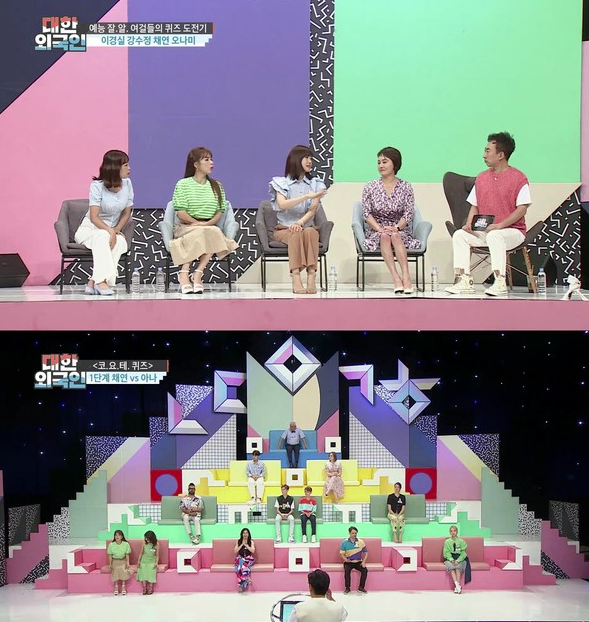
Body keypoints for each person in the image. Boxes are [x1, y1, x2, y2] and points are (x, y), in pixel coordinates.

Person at [445, 132, 531, 297]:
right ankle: (464, 280)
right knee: (460, 235)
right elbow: (474, 205)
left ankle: (500, 281)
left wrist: (500, 225)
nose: (484, 155)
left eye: (488, 151)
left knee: (495, 235)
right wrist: (469, 224)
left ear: (501, 155)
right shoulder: (482, 178)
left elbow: (522, 208)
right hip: (487, 231)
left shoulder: (519, 178)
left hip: (513, 231)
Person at [169, 147, 238, 295]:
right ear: (196, 164)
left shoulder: (217, 186)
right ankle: (185, 273)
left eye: (211, 159)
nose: (211, 163)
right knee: (204, 232)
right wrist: (197, 223)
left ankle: (197, 273)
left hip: (208, 225)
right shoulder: (183, 184)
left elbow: (219, 212)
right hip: (186, 226)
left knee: (211, 232)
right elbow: (181, 213)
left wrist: (205, 224)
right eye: (206, 160)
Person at [269, 145, 328, 294]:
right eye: (306, 158)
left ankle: (311, 276)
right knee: (295, 233)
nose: (310, 161)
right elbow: (282, 205)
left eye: (311, 158)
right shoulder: (281, 183)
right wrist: (306, 196)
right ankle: (296, 277)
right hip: (284, 229)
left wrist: (300, 222)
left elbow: (312, 210)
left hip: (305, 227)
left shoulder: (316, 184)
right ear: (296, 160)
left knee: (311, 232)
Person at [361, 147, 421, 294]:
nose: (381, 165)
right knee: (384, 236)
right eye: (379, 162)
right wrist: (379, 228)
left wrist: (397, 227)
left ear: (395, 163)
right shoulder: (370, 187)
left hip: (400, 229)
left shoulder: (406, 187)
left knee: (394, 235)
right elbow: (366, 213)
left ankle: (406, 276)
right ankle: (396, 278)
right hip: (377, 230)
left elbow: (408, 213)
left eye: (385, 162)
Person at [74, 149, 133, 296]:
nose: (129, 168)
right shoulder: (97, 186)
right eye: (125, 165)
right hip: (91, 229)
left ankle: (94, 281)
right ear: (115, 167)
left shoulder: (127, 184)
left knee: (121, 242)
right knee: (102, 236)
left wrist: (116, 229)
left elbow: (127, 212)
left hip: (112, 230)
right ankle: (101, 282)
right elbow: (94, 217)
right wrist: (110, 231)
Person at [339, 526, 368, 594]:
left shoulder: (361, 542)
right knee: (347, 571)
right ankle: (347, 588)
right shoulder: (344, 542)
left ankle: (361, 587)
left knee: (365, 570)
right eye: (353, 533)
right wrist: (345, 560)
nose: (354, 535)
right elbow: (341, 553)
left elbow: (366, 553)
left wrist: (364, 562)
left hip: (358, 562)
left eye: (355, 533)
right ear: (349, 533)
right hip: (349, 562)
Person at [443, 525, 471, 593]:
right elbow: (446, 552)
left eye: (454, 531)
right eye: (451, 531)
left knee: (458, 567)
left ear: (457, 532)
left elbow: (463, 553)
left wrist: (458, 560)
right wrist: (451, 559)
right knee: (451, 567)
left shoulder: (461, 541)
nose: (453, 532)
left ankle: (457, 587)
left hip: (460, 558)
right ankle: (457, 586)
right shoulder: (447, 542)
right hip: (450, 558)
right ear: (450, 532)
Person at [107, 529, 131, 596]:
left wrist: (128, 563)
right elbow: (110, 555)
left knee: (123, 569)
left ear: (122, 536)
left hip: (123, 561)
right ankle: (116, 587)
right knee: (115, 569)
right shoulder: (111, 545)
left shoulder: (126, 544)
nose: (117, 537)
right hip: (115, 561)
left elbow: (127, 555)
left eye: (119, 535)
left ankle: (123, 586)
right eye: (116, 535)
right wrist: (110, 564)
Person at [136, 530, 159, 595]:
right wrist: (138, 561)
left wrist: (156, 563)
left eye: (148, 538)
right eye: (145, 538)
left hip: (152, 560)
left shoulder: (156, 544)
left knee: (151, 571)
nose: (146, 539)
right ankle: (144, 588)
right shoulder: (144, 543)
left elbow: (157, 555)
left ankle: (151, 588)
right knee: (143, 570)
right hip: (144, 560)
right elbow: (141, 553)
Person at [234, 527, 255, 593]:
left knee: (239, 568)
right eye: (244, 533)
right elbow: (235, 551)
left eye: (246, 533)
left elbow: (253, 551)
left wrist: (246, 545)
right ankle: (247, 578)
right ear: (242, 534)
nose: (245, 534)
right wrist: (242, 544)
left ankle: (240, 586)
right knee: (239, 566)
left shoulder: (251, 542)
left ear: (248, 534)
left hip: (248, 559)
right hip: (240, 558)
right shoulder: (238, 541)